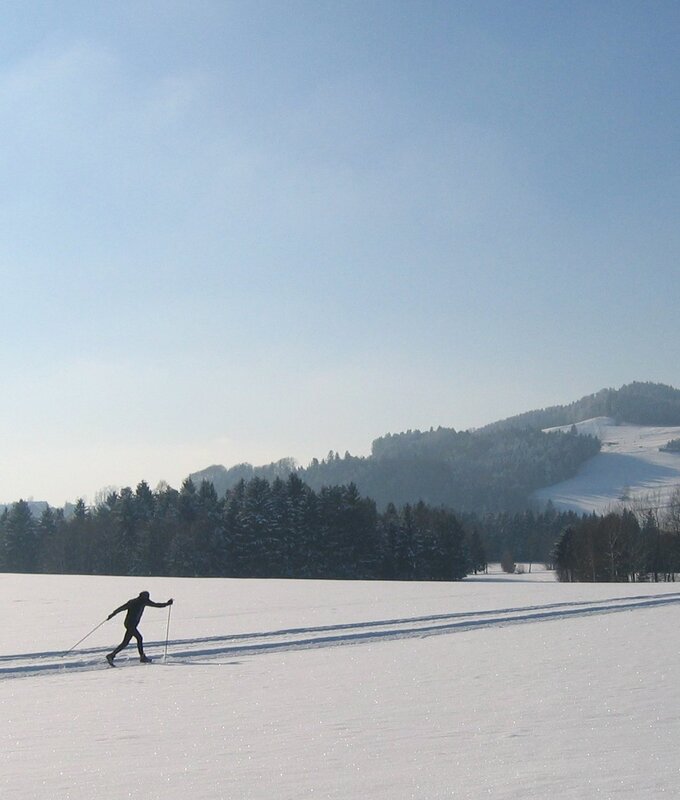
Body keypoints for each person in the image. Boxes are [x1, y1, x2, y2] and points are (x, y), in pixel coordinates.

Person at [106, 591, 173, 665]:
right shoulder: (143, 601)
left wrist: (112, 614)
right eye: (147, 596)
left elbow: (121, 608)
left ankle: (112, 655)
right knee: (139, 638)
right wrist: (167, 604)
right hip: (132, 625)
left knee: (125, 642)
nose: (148, 598)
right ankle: (142, 657)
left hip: (128, 623)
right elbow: (156, 605)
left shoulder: (132, 601)